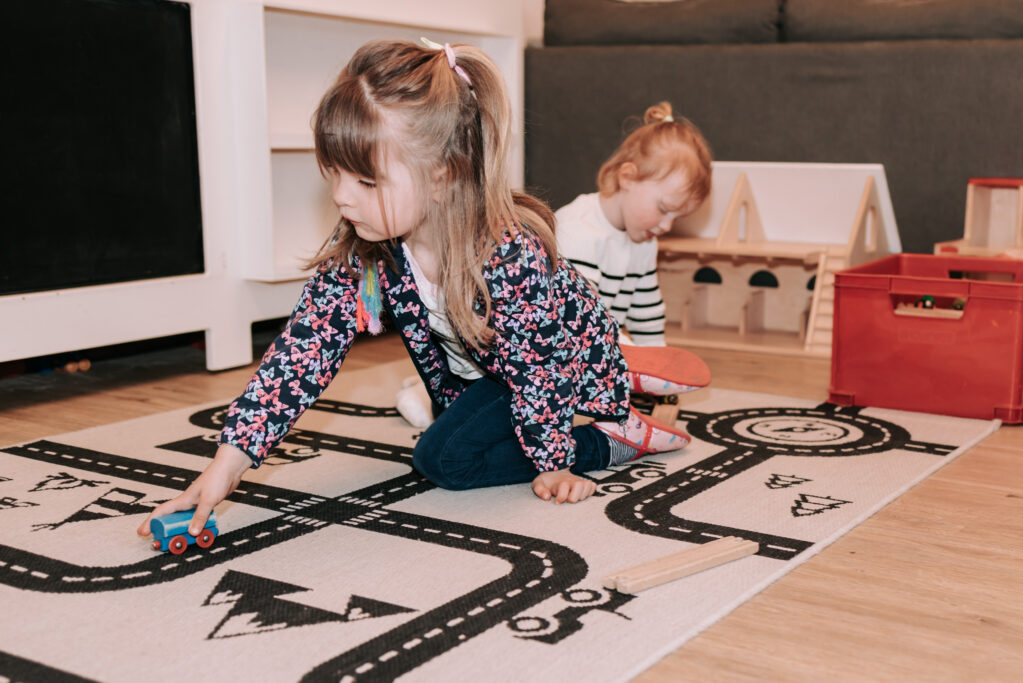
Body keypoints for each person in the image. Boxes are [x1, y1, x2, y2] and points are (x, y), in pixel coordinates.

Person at [138, 39, 701, 544]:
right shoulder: (371, 244)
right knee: (454, 436)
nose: (340, 197)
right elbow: (304, 350)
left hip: (551, 359)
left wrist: (554, 460)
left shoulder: (509, 256)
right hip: (486, 374)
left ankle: (616, 434)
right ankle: (611, 379)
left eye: (364, 181)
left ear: (442, 175)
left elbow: (539, 366)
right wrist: (227, 464)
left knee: (444, 460)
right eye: (333, 173)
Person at [555, 102, 712, 347]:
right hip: (555, 356)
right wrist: (631, 357)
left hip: (598, 352)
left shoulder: (645, 240)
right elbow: (582, 321)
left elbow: (646, 314)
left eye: (676, 218)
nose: (667, 226)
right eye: (663, 209)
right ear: (627, 177)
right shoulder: (578, 233)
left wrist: (659, 365)